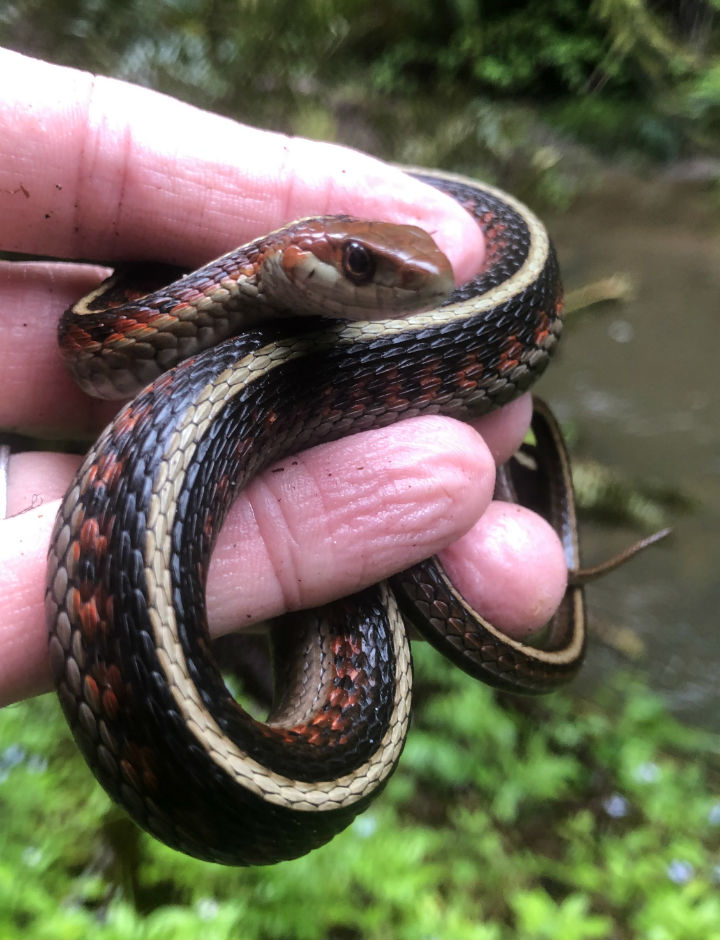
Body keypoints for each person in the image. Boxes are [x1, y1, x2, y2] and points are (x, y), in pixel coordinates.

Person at [0, 48, 567, 708]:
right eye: (358, 264)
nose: (418, 283)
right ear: (291, 259)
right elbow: (96, 343)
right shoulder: (162, 303)